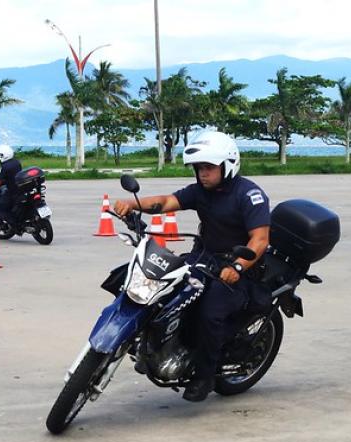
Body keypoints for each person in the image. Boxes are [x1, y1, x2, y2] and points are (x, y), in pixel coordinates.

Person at [112, 131, 270, 402]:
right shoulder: (200, 191)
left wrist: (239, 267)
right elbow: (166, 202)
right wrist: (132, 204)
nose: (202, 174)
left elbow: (260, 239)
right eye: (199, 169)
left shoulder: (250, 195)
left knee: (209, 312)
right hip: (204, 258)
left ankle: (205, 375)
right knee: (160, 288)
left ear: (228, 165)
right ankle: (153, 345)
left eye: (208, 168)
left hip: (239, 268)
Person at [0, 144, 22, 226]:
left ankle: (15, 224)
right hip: (21, 188)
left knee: (0, 209)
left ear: (2, 155)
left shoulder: (5, 167)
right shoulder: (16, 162)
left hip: (13, 191)